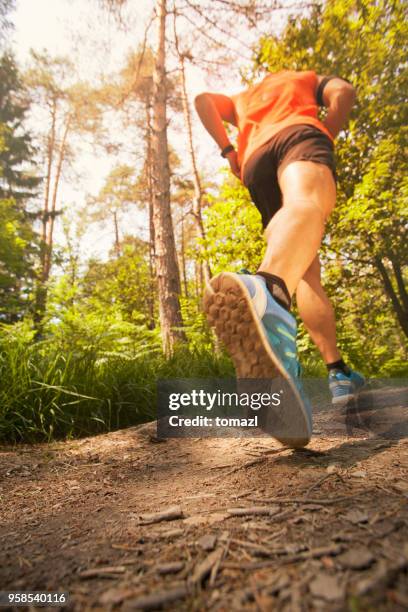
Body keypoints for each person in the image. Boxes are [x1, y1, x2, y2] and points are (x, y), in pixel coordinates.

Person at [194, 69, 365, 447]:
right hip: (299, 135)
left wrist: (229, 151)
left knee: (303, 266)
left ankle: (325, 368)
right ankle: (268, 296)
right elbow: (344, 92)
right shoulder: (303, 78)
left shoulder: (242, 98)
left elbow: (203, 101)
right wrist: (326, 132)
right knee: (307, 203)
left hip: (255, 159)